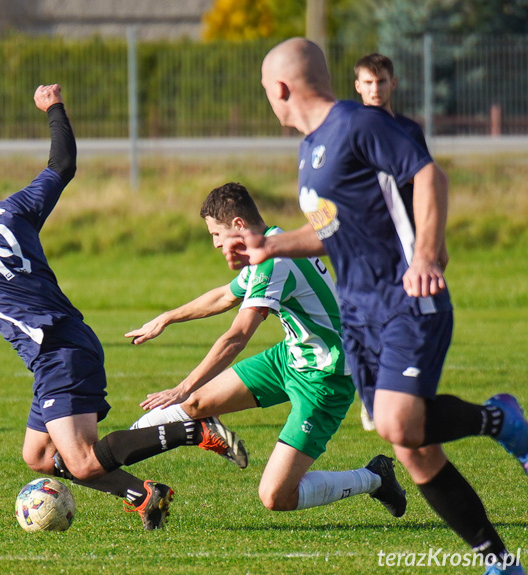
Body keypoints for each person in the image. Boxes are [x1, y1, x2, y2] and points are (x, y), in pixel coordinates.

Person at [0, 84, 247, 530]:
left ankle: (195, 430)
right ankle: (144, 494)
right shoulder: (11, 209)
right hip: (66, 345)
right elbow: (63, 164)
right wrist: (54, 108)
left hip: (55, 349)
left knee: (84, 461)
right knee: (38, 456)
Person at [223, 37, 527, 575]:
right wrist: (273, 244)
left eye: (266, 93)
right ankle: (501, 562)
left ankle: (502, 421)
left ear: (280, 88)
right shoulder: (310, 149)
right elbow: (332, 227)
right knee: (410, 445)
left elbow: (428, 174)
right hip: (358, 313)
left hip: (405, 296)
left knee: (398, 419)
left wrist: (427, 254)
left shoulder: (359, 125)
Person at [125, 182, 407, 517]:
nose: (215, 243)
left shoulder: (276, 262)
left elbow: (237, 337)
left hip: (326, 379)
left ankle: (374, 477)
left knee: (275, 496)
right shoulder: (270, 248)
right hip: (289, 358)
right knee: (194, 405)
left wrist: (184, 385)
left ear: (239, 225)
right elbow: (224, 296)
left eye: (217, 234)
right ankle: (117, 461)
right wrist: (166, 318)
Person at [353, 52, 433, 432]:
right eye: (367, 82)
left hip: (405, 246)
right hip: (363, 246)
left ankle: (397, 393)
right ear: (357, 86)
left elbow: (426, 185)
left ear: (393, 83)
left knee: (406, 317)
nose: (375, 89)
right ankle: (374, 397)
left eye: (381, 81)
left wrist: (431, 245)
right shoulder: (350, 131)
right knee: (364, 319)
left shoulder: (408, 131)